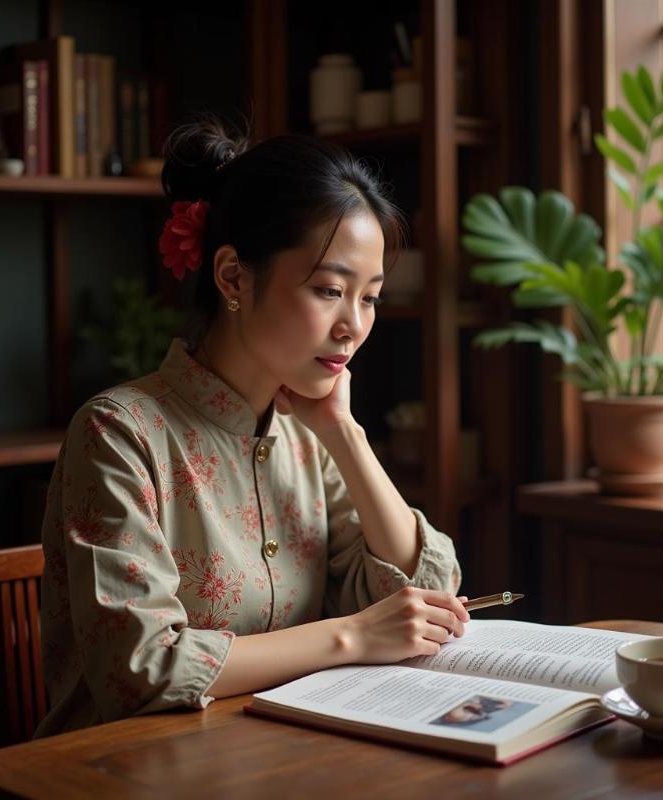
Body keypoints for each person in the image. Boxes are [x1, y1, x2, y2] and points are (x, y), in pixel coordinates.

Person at [35, 116, 468, 736]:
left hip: (275, 756)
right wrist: (351, 637)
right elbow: (143, 668)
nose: (354, 324)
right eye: (328, 289)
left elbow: (430, 593)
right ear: (233, 276)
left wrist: (344, 432)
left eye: (369, 296)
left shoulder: (307, 437)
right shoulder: (119, 434)